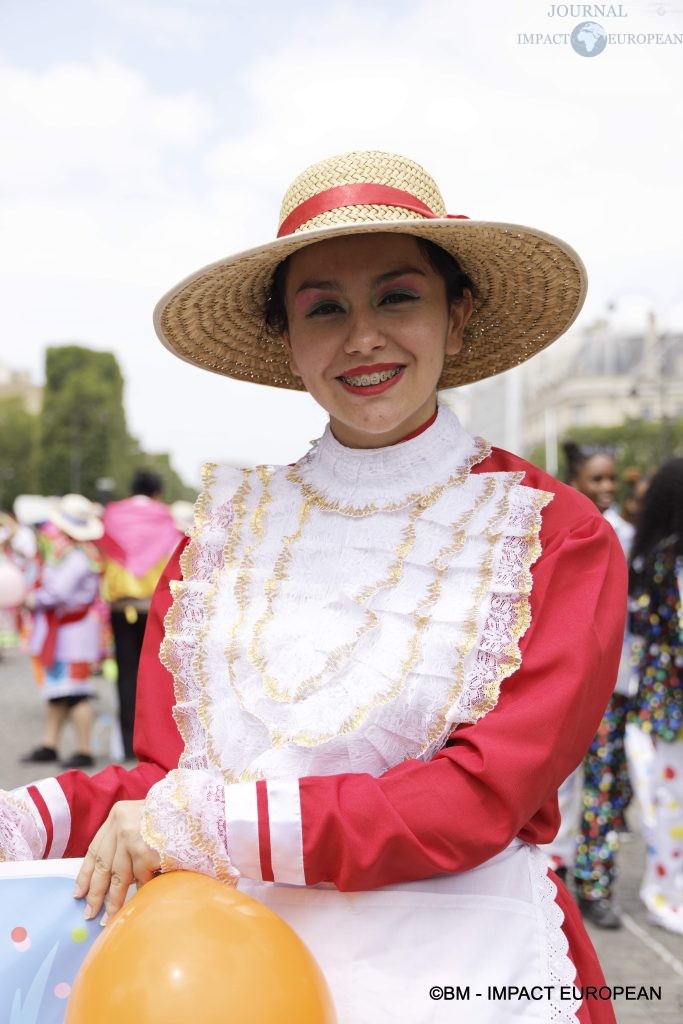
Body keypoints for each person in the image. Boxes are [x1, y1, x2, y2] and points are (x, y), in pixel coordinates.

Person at [0, 151, 626, 1023]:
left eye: (397, 296)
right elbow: (168, 780)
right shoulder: (217, 538)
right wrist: (29, 817)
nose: (362, 335)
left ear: (460, 314)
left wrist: (210, 825)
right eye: (323, 309)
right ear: (287, 344)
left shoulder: (553, 533)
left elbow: (480, 798)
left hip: (460, 964)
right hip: (216, 966)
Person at [558, 443, 632, 929]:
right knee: (554, 785)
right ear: (576, 479)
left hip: (615, 687)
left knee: (604, 790)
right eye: (596, 479)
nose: (606, 488)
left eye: (611, 480)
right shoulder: (558, 522)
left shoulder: (630, 534)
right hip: (563, 684)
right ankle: (551, 875)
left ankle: (595, 885)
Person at [628, 457, 683, 935]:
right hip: (671, 702)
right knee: (671, 804)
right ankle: (666, 897)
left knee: (666, 804)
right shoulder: (672, 560)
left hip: (658, 698)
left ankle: (665, 892)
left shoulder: (651, 555)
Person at [18, 493, 103, 770]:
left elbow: (58, 592)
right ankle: (50, 744)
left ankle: (84, 749)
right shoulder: (72, 553)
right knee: (58, 692)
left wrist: (33, 598)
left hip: (73, 633)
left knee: (76, 693)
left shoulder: (78, 557)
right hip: (64, 632)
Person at [100, 470, 181, 760]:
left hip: (121, 607)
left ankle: (125, 745)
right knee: (156, 677)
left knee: (125, 676)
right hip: (154, 606)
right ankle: (154, 746)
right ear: (157, 492)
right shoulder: (165, 516)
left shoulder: (112, 515)